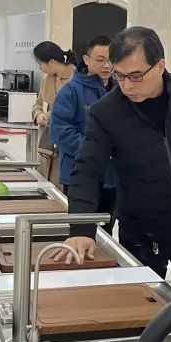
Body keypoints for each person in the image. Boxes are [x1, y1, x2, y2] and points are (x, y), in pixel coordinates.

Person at [64, 27, 171, 295]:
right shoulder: (106, 112)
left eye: (136, 75)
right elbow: (87, 170)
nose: (127, 85)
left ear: (160, 66)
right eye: (119, 76)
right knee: (142, 310)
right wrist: (81, 229)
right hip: (142, 235)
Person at [49, 36, 117, 229]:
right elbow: (60, 131)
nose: (107, 65)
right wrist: (97, 150)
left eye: (111, 60)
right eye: (100, 59)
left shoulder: (120, 90)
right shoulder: (71, 91)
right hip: (79, 174)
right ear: (87, 60)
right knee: (81, 231)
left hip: (112, 177)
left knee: (106, 231)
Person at [32, 41, 76, 182]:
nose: (40, 68)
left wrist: (54, 115)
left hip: (66, 148)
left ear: (51, 62)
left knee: (61, 188)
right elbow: (38, 104)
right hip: (46, 146)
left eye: (40, 64)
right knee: (44, 186)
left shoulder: (77, 79)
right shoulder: (47, 80)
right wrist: (39, 115)